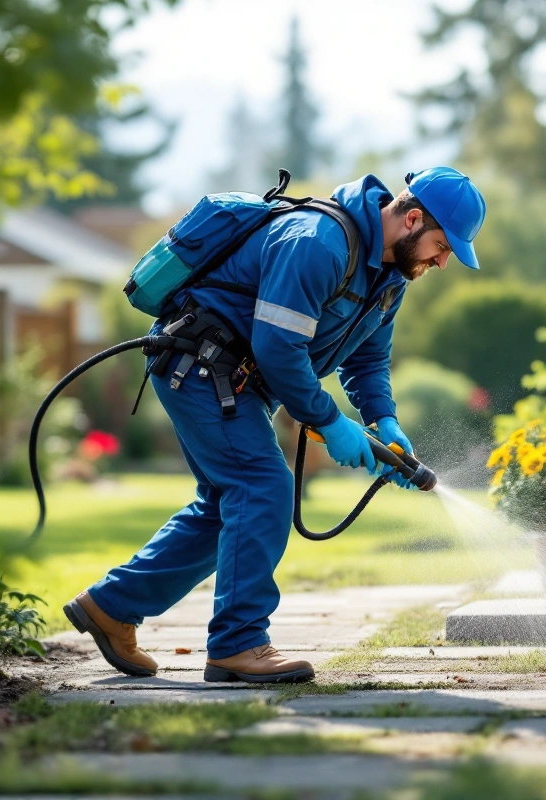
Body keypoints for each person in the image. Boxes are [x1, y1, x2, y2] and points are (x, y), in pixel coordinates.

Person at [62, 167, 486, 684]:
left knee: (226, 506)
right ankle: (238, 645)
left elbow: (368, 361)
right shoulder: (320, 243)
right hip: (199, 364)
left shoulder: (389, 278)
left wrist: (384, 422)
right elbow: (277, 347)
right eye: (442, 246)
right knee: (261, 484)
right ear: (413, 219)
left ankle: (111, 607)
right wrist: (330, 422)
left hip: (231, 379)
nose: (443, 261)